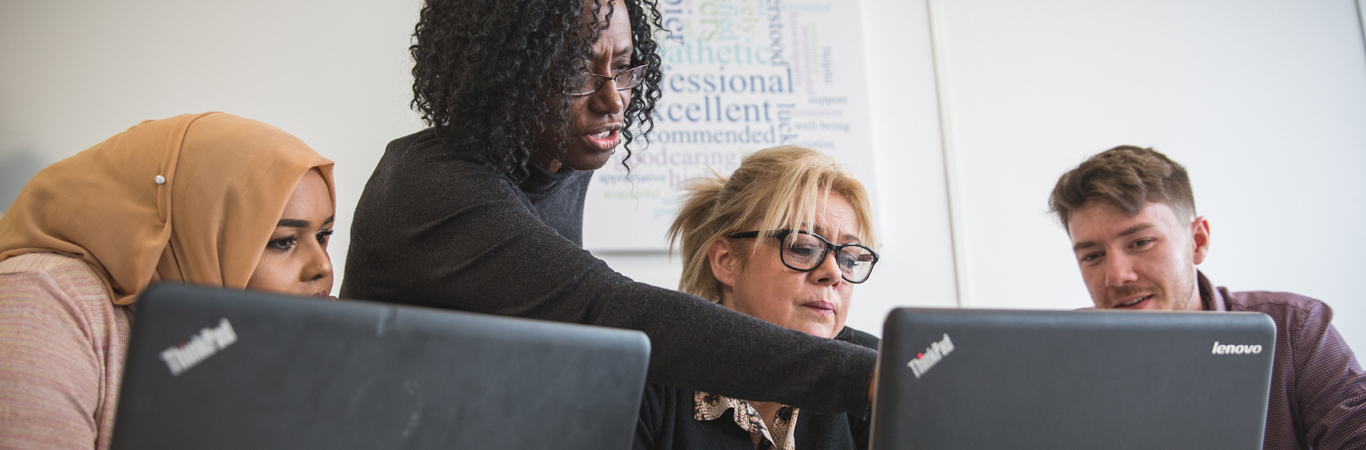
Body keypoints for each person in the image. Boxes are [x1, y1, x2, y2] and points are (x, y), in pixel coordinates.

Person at [341, 0, 876, 414]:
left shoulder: (558, 160)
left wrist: (912, 359)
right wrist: (872, 379)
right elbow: (604, 310)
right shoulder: (429, 187)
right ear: (506, 73)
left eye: (623, 67)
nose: (613, 98)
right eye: (577, 72)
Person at [0, 112, 337, 450]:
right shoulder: (42, 303)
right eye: (284, 241)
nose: (322, 265)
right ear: (198, 233)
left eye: (323, 236)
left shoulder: (241, 336)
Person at [1049, 145, 1366, 450]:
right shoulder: (1060, 364)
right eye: (1092, 256)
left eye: (1140, 242)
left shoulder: (1294, 330)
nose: (1116, 276)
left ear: (1197, 242)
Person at [634, 146, 879, 450]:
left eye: (850, 259)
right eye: (802, 247)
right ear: (726, 260)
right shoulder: (646, 382)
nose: (834, 273)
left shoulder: (877, 375)